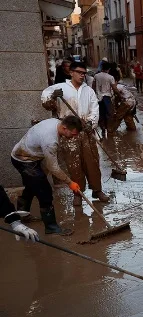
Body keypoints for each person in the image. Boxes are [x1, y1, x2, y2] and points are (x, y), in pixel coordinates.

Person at [41, 61, 109, 207]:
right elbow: (45, 101)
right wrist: (53, 96)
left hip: (86, 131)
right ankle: (78, 193)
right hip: (68, 132)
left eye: (84, 73)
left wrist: (91, 123)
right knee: (73, 164)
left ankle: (97, 190)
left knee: (92, 162)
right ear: (71, 72)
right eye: (79, 72)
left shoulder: (88, 91)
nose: (82, 75)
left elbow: (95, 109)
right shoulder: (60, 88)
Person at [11, 116, 84, 235]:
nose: (74, 137)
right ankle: (51, 227)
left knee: (32, 186)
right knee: (44, 191)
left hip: (27, 155)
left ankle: (21, 213)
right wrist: (70, 182)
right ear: (65, 128)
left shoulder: (56, 123)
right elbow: (53, 167)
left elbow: (48, 163)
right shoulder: (50, 141)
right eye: (73, 134)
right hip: (24, 160)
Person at [93, 61, 120, 137]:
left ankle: (103, 129)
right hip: (107, 97)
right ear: (109, 69)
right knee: (109, 114)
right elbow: (114, 88)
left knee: (101, 114)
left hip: (99, 98)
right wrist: (119, 95)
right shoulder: (110, 77)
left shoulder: (96, 76)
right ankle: (109, 129)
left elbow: (93, 87)